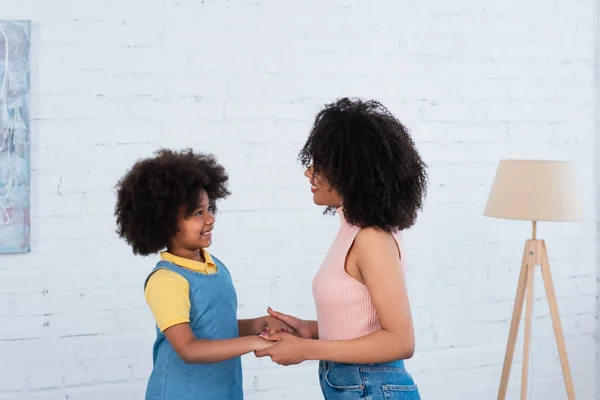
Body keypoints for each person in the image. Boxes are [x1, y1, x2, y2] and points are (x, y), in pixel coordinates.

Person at [256, 98, 427, 400]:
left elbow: (401, 341)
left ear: (350, 170)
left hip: (372, 387)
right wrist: (311, 330)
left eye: (320, 163)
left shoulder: (371, 238)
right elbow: (362, 325)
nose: (309, 172)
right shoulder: (353, 230)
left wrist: (307, 350)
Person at [114, 148, 293, 400]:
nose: (210, 219)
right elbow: (188, 348)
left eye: (209, 209)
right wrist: (255, 342)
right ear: (165, 222)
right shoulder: (166, 280)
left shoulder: (215, 265)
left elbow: (214, 327)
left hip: (223, 391)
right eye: (197, 213)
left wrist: (258, 326)